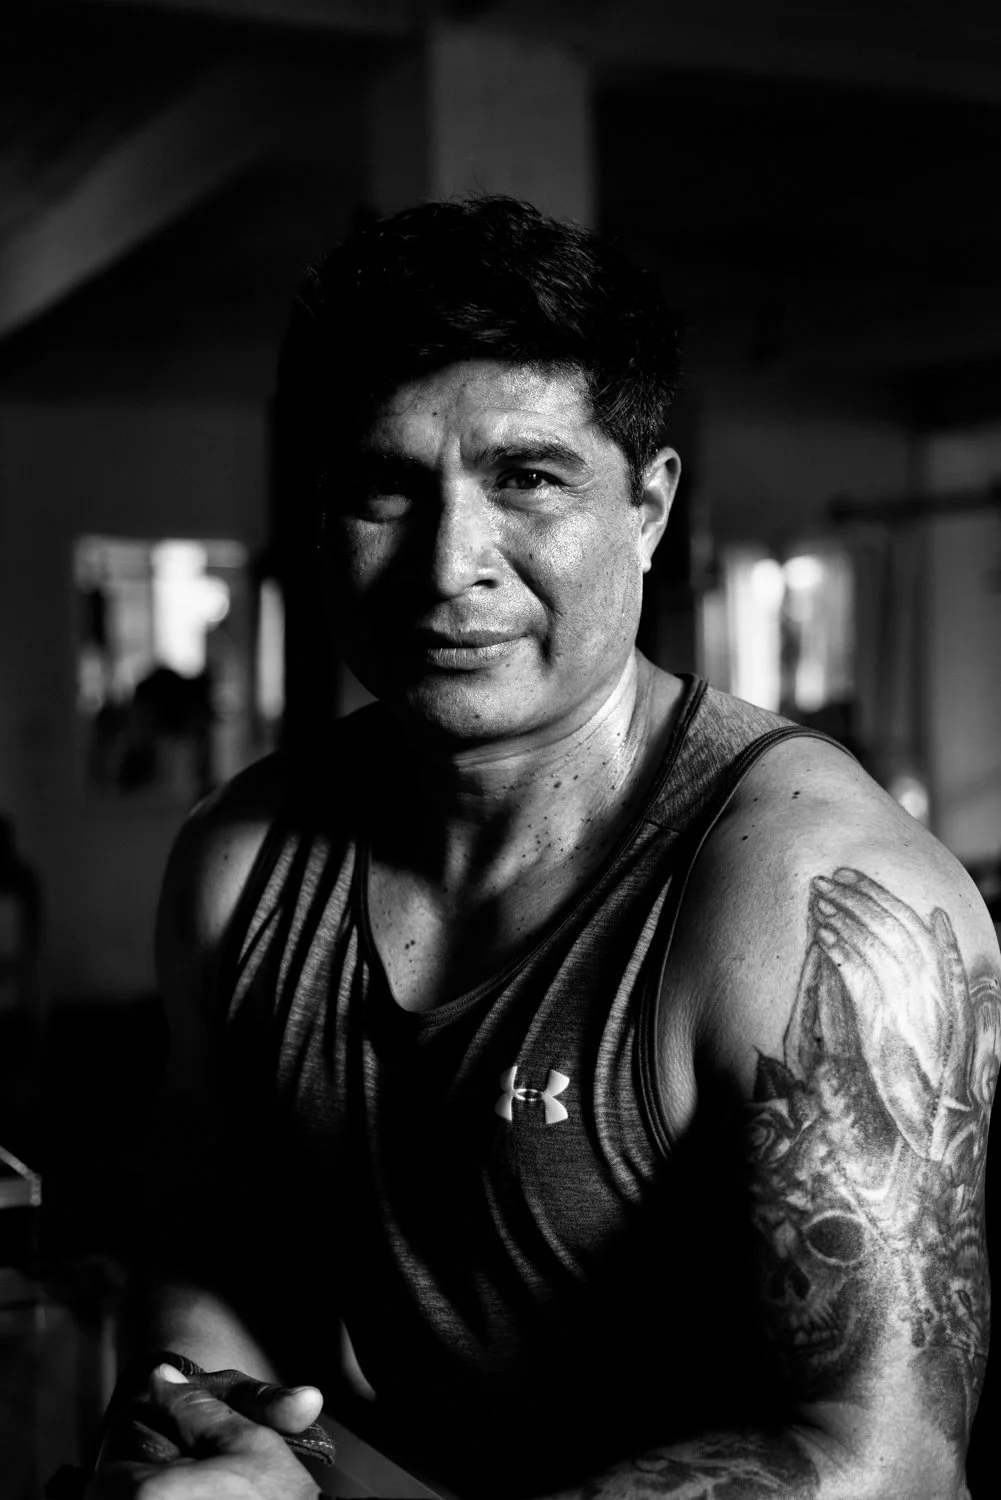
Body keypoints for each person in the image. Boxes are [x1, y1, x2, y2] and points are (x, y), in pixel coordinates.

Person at [88, 196, 999, 1499]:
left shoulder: (811, 898)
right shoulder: (239, 862)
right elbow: (203, 1247)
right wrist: (208, 1434)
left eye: (525, 478)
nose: (449, 562)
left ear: (648, 506)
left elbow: (885, 1463)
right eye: (385, 489)